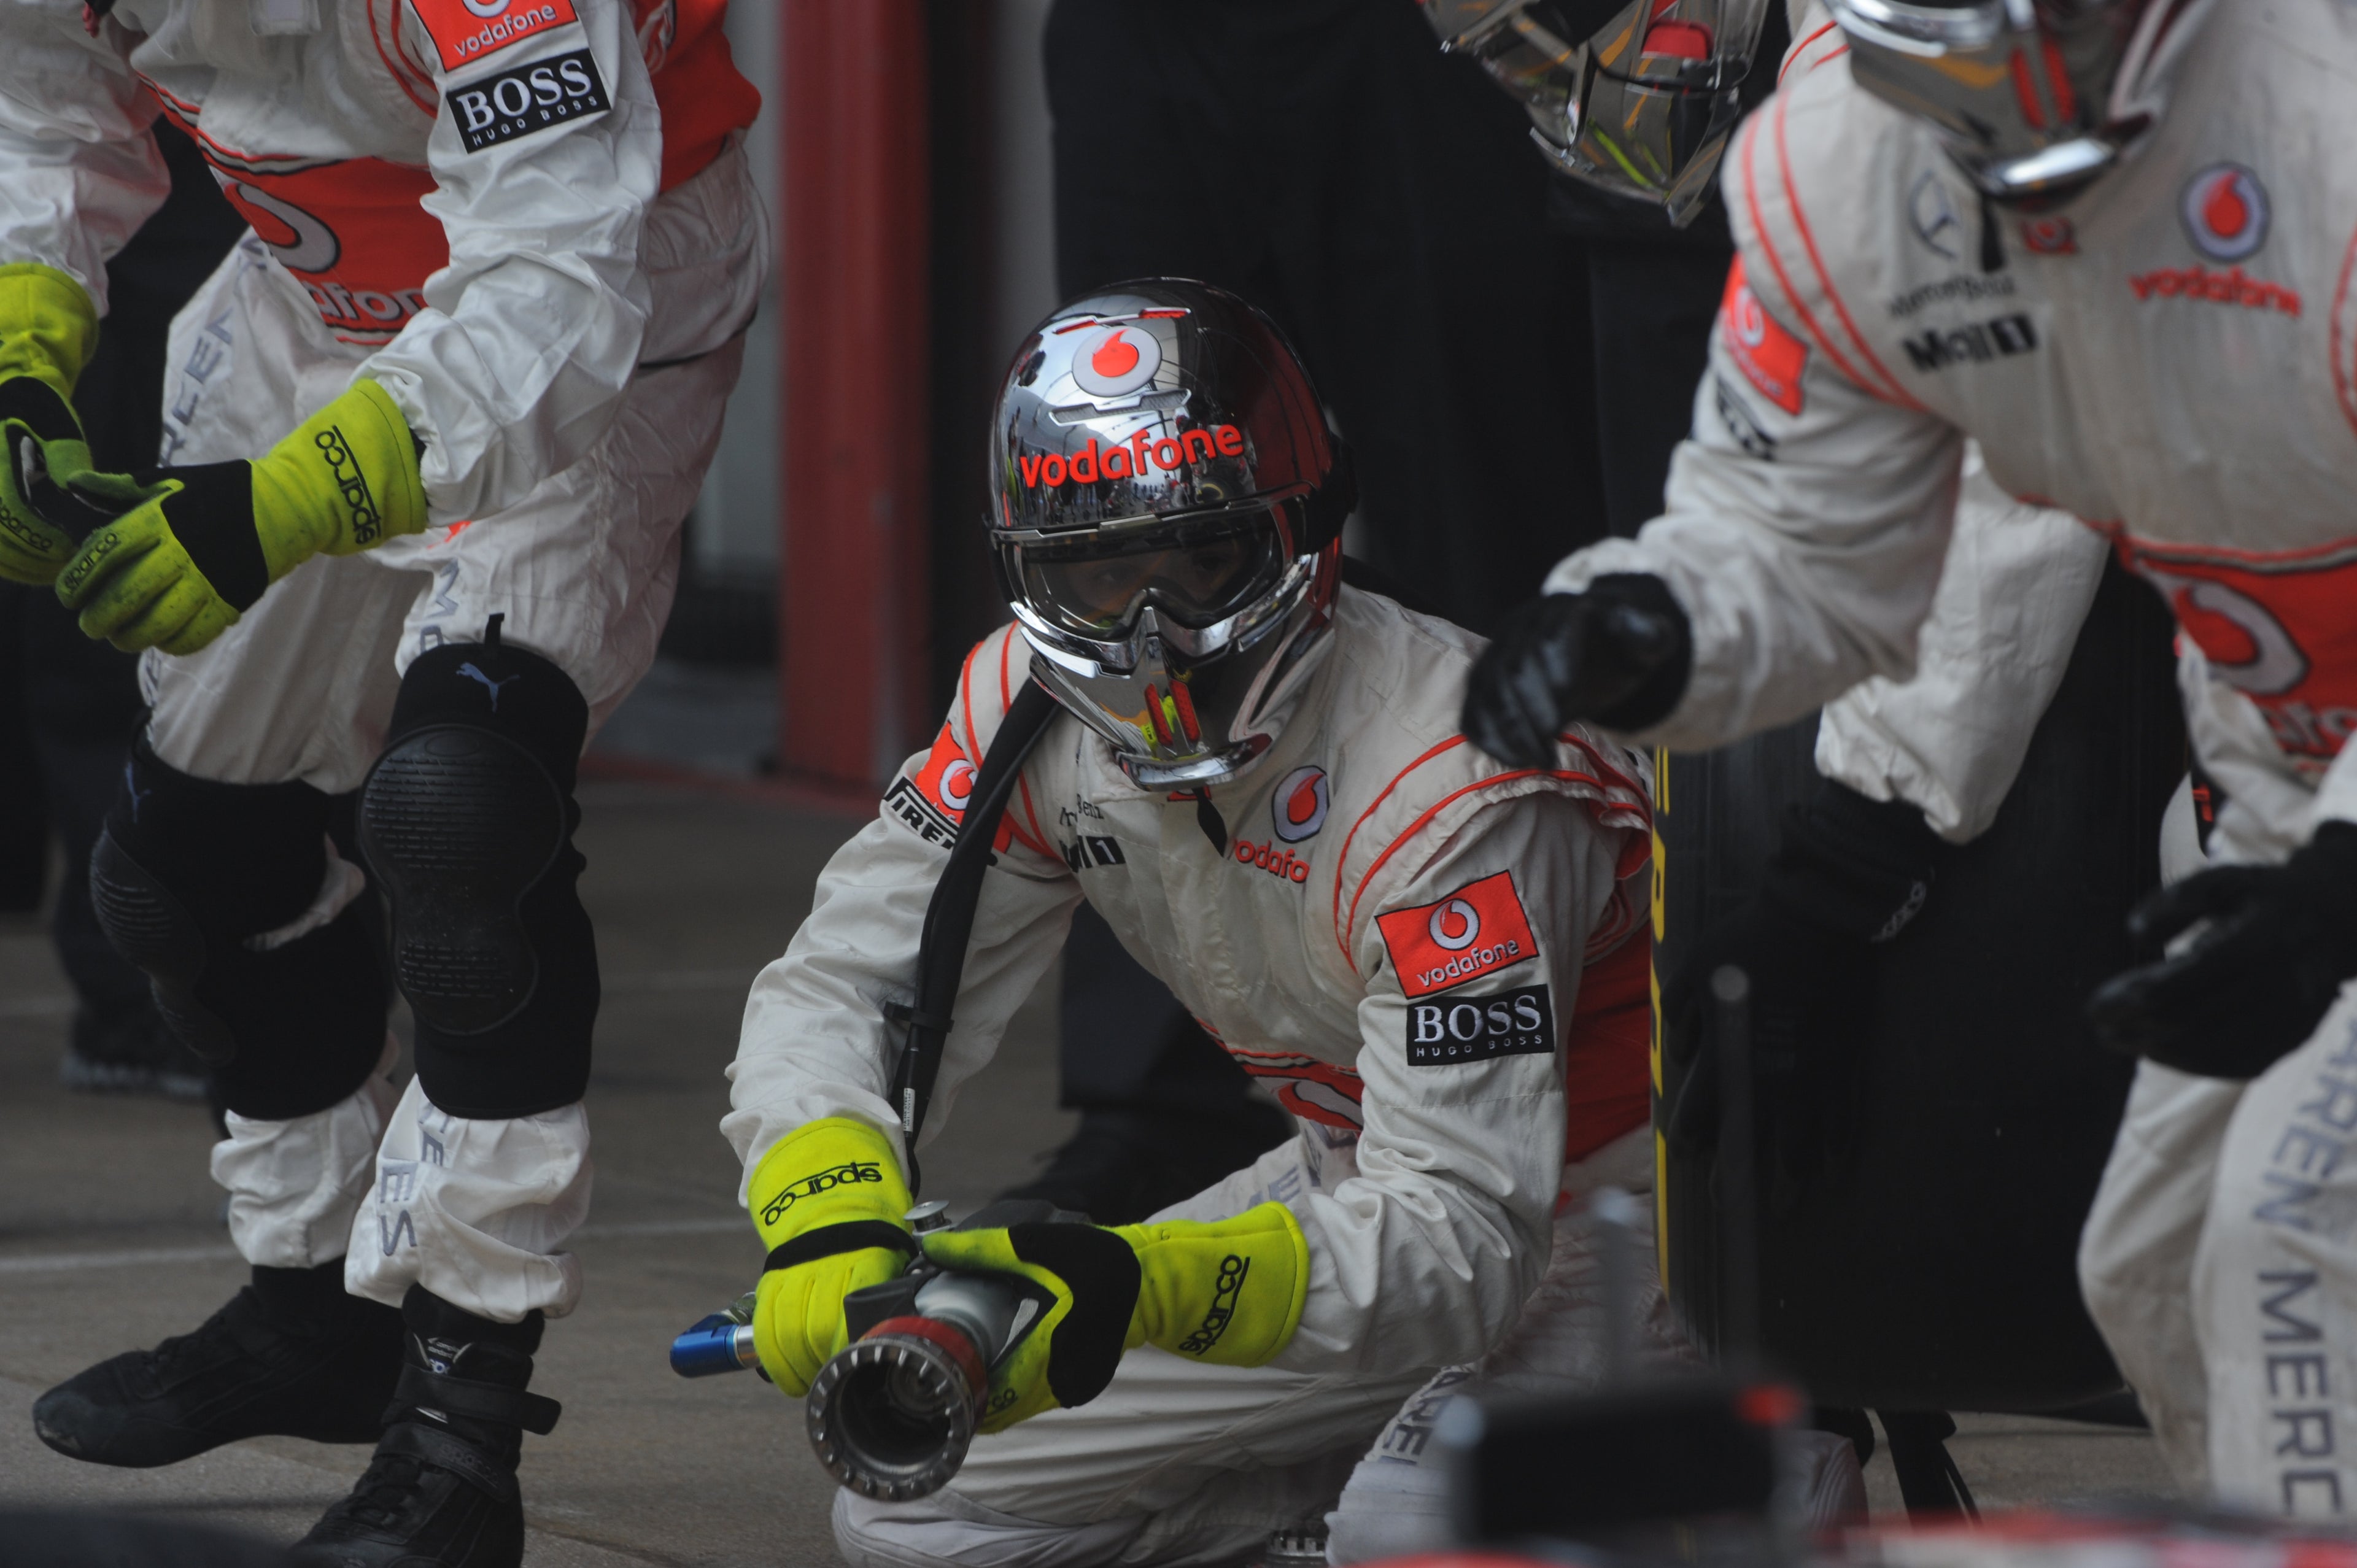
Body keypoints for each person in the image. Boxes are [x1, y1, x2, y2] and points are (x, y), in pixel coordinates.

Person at [726, 279, 1859, 1566]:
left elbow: (1464, 1240)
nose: (1150, 636)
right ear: (1027, 571)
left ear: (1305, 527)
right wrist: (825, 1210)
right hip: (1357, 1182)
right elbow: (843, 989)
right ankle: (1363, 1504)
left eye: (1199, 559)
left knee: (1416, 1534)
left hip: (1616, 1217)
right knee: (912, 1498)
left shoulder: (1454, 774)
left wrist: (1144, 1289)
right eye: (1099, 574)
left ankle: (1767, 1463)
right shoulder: (1021, 715)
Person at [1461, 0, 2357, 1518]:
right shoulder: (1842, 161)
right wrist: (1657, 624)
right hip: (2275, 788)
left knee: (2295, 1244)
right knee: (2163, 1271)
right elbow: (1804, 538)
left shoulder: (2325, 121)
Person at [1, 4, 764, 1564]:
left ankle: (462, 1428)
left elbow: (548, 296)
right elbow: (45, 111)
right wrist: (21, 347)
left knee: (458, 811)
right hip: (302, 300)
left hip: (598, 308)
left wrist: (276, 508)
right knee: (183, 861)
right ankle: (314, 1314)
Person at [0, 118, 242, 1101]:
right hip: (82, 142)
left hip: (223, 150)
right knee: (90, 589)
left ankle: (202, 974)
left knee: (224, 567)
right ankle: (145, 986)